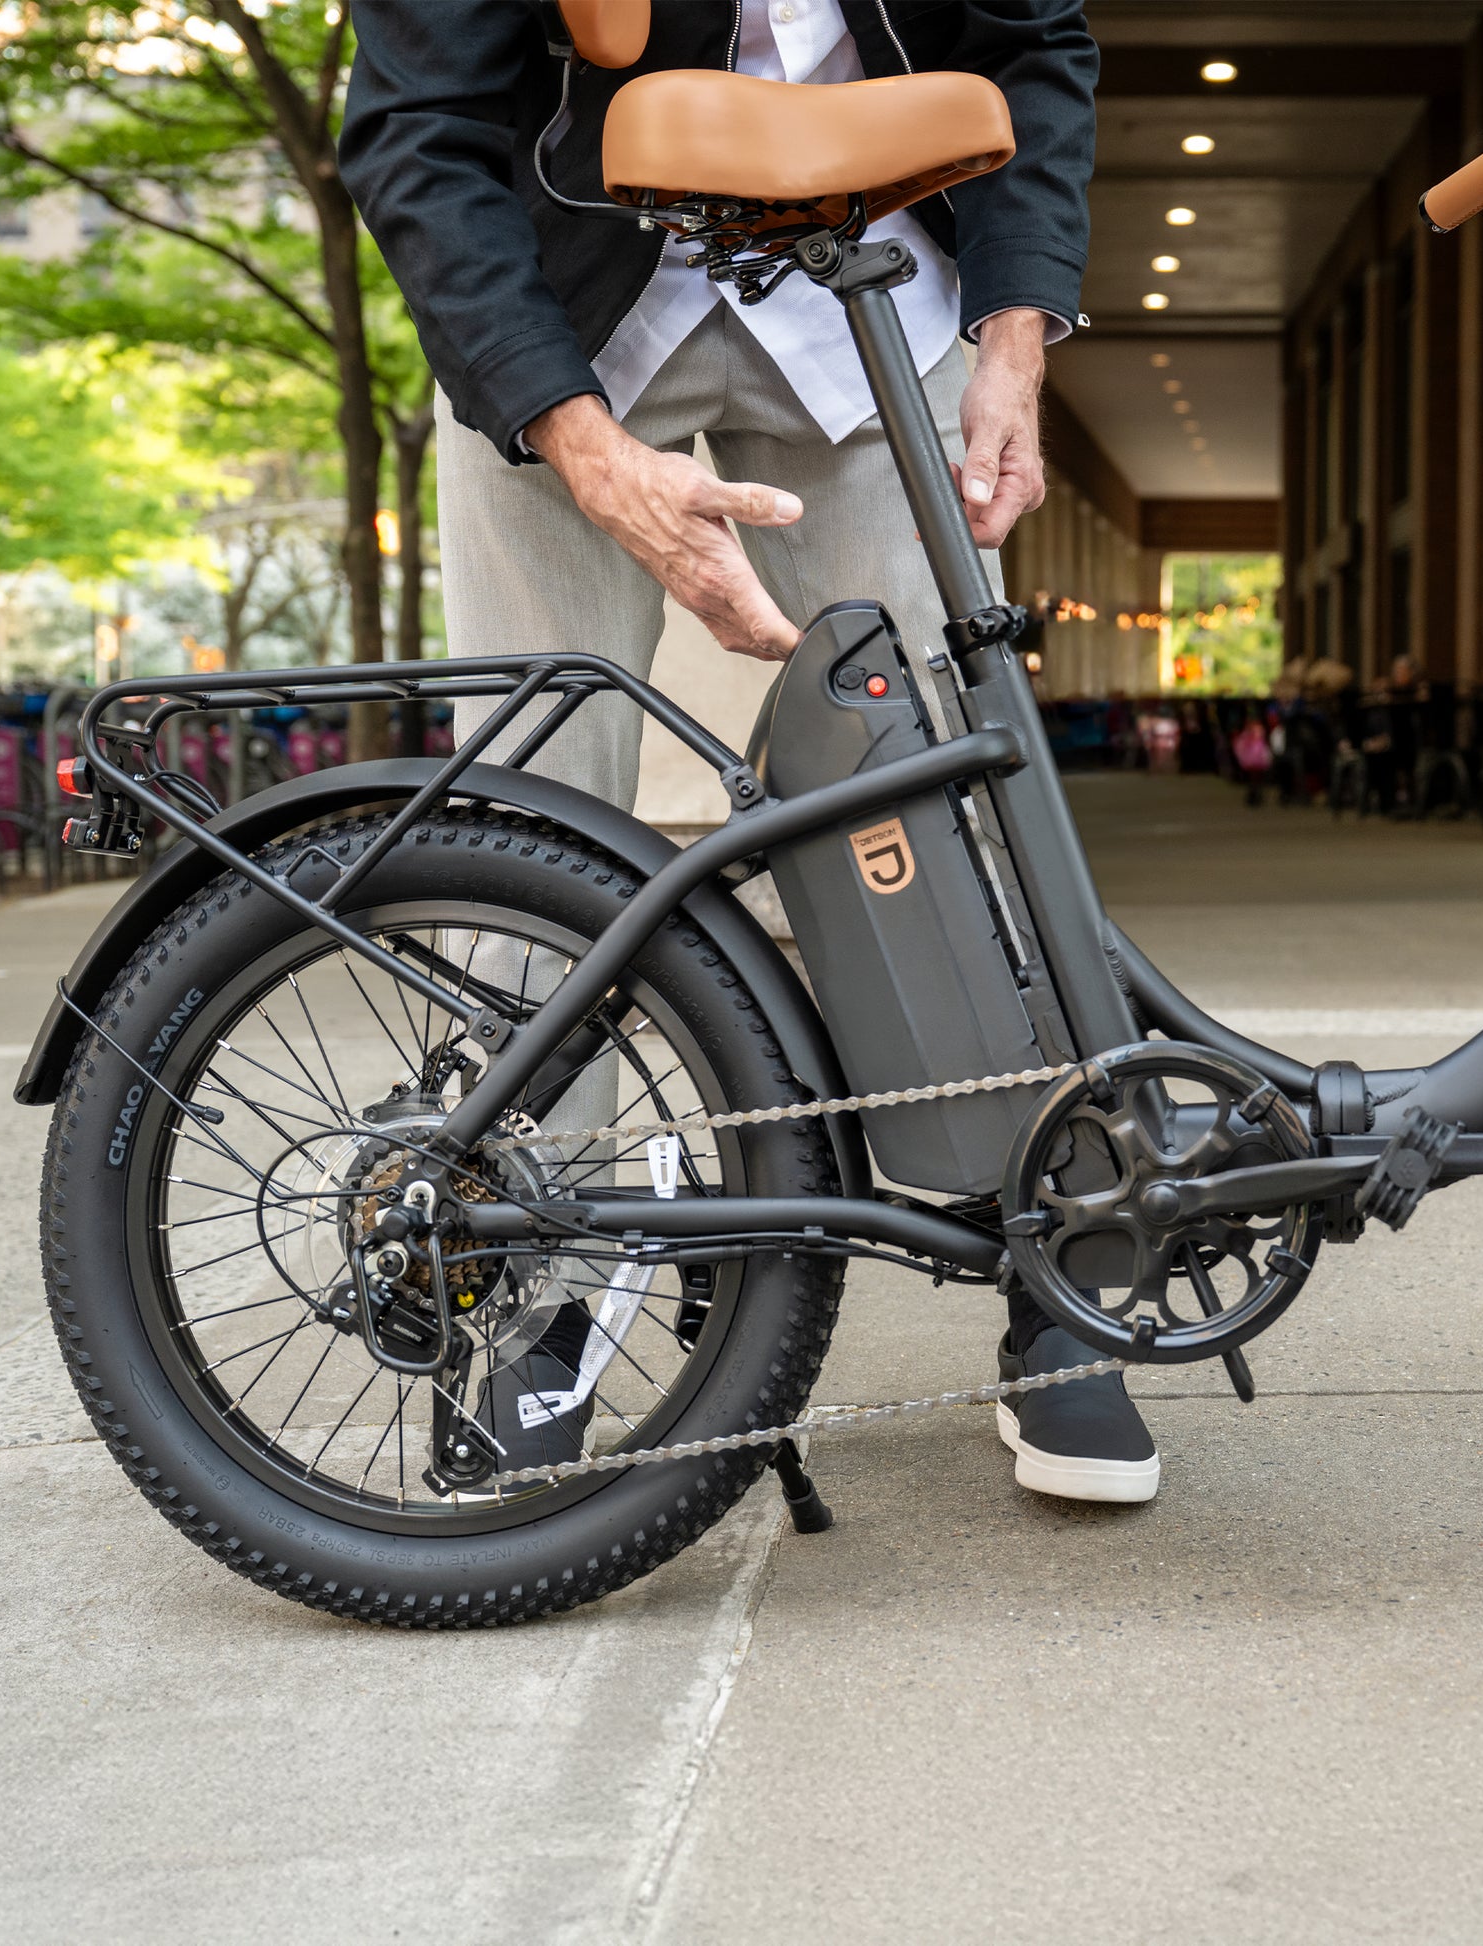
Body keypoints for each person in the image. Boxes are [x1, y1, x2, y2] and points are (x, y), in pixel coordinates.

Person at [339, 0, 1158, 1504]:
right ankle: (533, 1298)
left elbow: (1032, 41)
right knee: (531, 824)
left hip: (878, 284)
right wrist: (579, 445)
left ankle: (1051, 1267)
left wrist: (1014, 332)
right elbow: (412, 123)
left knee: (939, 798)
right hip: (562, 298)